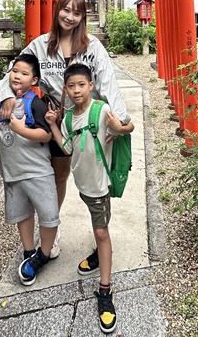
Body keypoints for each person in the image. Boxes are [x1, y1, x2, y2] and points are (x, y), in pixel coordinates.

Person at [0, 0, 132, 259]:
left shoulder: (93, 46)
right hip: (57, 121)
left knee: (96, 181)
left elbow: (108, 85)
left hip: (90, 122)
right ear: (57, 10)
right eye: (65, 10)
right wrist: (8, 96)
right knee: (59, 176)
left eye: (76, 12)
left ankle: (100, 232)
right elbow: (13, 72)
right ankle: (53, 229)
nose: (69, 17)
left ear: (82, 17)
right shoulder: (40, 45)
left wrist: (121, 121)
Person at [45, 63, 134, 334]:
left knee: (101, 231)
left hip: (99, 186)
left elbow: (128, 127)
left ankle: (105, 291)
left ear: (91, 86)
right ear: (65, 89)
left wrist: (119, 127)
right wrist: (53, 125)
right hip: (83, 185)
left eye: (81, 85)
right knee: (98, 226)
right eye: (71, 86)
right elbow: (68, 147)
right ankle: (97, 254)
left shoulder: (101, 109)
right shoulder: (70, 117)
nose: (76, 90)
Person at [0, 53, 57, 286]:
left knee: (49, 215)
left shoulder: (35, 102)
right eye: (15, 71)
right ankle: (28, 253)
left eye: (24, 73)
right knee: (22, 215)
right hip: (11, 172)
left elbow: (47, 134)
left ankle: (42, 255)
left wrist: (21, 130)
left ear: (34, 81)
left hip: (38, 171)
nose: (17, 76)